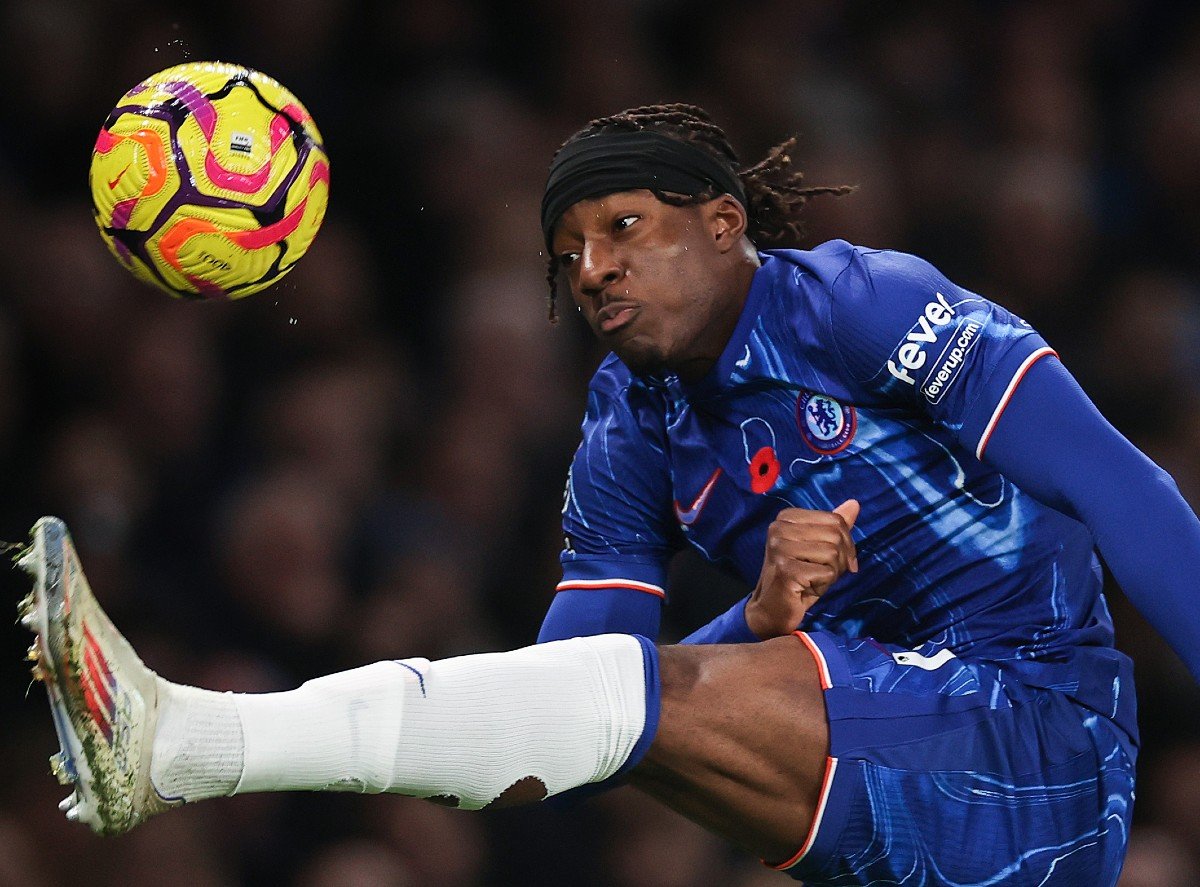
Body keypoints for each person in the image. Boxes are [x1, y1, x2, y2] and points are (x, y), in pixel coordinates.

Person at [20, 103, 1200, 885]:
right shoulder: (628, 424)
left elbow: (1122, 486)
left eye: (625, 229)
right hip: (891, 761)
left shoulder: (864, 305)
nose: (592, 269)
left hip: (1037, 729)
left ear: (725, 224)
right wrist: (765, 622)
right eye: (568, 252)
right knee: (628, 697)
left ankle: (186, 739)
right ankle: (180, 742)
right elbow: (589, 710)